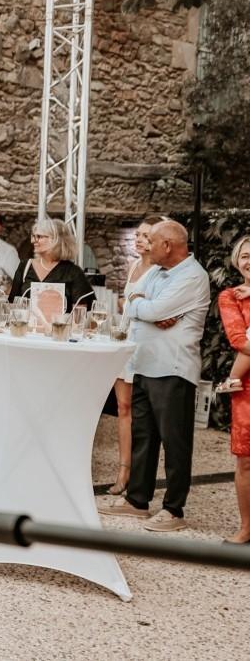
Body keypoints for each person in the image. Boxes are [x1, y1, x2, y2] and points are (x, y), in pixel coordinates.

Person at [99, 220, 211, 532]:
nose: (147, 246)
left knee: (175, 442)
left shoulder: (193, 276)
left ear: (168, 245)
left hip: (173, 368)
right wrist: (144, 305)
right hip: (144, 364)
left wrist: (145, 307)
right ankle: (137, 501)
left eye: (153, 241)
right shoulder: (156, 271)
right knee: (144, 437)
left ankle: (174, 509)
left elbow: (152, 310)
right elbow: (133, 298)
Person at [108, 214, 168, 495]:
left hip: (146, 344)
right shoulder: (133, 265)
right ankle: (123, 470)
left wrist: (130, 304)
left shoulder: (161, 271)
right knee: (122, 408)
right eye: (139, 235)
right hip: (125, 339)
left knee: (140, 412)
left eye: (147, 236)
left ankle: (139, 472)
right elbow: (128, 303)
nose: (140, 240)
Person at [216, 235, 250, 545]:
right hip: (247, 389)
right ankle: (247, 527)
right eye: (244, 255)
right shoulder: (230, 296)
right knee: (246, 460)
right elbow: (239, 340)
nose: (249, 261)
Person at [12, 218, 94, 311]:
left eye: (39, 236)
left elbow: (80, 313)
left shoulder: (73, 272)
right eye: (33, 236)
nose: (33, 241)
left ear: (56, 240)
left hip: (60, 321)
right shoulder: (25, 267)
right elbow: (12, 304)